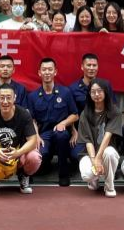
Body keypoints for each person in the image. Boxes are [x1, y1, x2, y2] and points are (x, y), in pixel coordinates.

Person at [0, 85, 41, 194]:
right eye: (2, 98)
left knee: (35, 157)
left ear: (15, 98)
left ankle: (23, 175)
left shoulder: (24, 114)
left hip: (19, 153)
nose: (5, 101)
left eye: (9, 97)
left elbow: (33, 141)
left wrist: (18, 152)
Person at [26, 58, 79, 187]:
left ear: (55, 72)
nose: (47, 72)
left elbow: (75, 115)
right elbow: (32, 119)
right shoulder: (33, 96)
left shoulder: (65, 92)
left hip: (62, 132)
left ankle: (63, 174)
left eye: (50, 69)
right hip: (44, 134)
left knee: (61, 135)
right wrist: (36, 136)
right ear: (39, 72)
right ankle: (46, 163)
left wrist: (64, 123)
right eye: (44, 69)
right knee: (41, 155)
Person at [77, 79, 124, 197]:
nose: (96, 94)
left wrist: (98, 158)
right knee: (87, 175)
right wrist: (94, 161)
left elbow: (107, 136)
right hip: (89, 154)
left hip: (107, 153)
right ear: (89, 94)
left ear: (106, 92)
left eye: (99, 91)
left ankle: (109, 185)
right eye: (93, 92)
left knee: (109, 152)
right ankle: (94, 180)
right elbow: (88, 141)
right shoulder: (85, 114)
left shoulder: (115, 112)